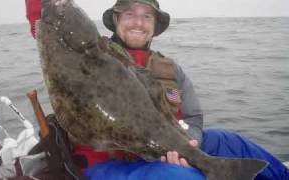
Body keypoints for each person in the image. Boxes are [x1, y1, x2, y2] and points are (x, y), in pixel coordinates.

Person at [25, 0, 289, 179]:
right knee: (181, 177)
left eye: (146, 16)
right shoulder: (89, 51)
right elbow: (44, 18)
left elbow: (194, 118)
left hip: (166, 146)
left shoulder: (171, 69)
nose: (138, 22)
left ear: (154, 25)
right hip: (105, 164)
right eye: (130, 14)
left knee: (232, 142)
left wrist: (191, 143)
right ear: (116, 19)